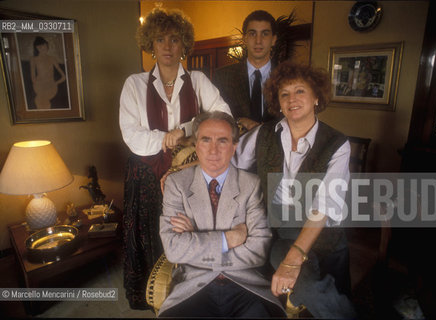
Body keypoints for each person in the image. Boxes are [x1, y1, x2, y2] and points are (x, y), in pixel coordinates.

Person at [119, 8, 231, 309]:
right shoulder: (134, 84)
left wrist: (184, 130)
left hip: (190, 170)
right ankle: (153, 297)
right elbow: (132, 136)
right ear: (150, 45)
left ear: (184, 45)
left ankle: (188, 295)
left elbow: (223, 117)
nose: (167, 47)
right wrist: (164, 138)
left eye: (174, 39)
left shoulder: (197, 80)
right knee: (149, 234)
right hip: (144, 173)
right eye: (159, 40)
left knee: (187, 229)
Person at [233, 61, 357, 318]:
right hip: (281, 229)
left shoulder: (337, 143)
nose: (292, 99)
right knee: (308, 288)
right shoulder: (264, 133)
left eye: (300, 91)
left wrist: (293, 260)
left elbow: (324, 207)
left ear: (315, 98)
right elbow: (228, 161)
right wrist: (182, 170)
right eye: (284, 94)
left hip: (324, 233)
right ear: (278, 102)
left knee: (327, 289)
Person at [158, 111, 285, 317]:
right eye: (206, 140)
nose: (213, 150)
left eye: (223, 141)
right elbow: (173, 249)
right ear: (196, 145)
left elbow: (259, 250)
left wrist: (195, 240)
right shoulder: (176, 184)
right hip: (194, 286)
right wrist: (229, 239)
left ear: (234, 147)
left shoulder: (251, 185)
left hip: (245, 286)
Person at [213, 10, 277, 130]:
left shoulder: (287, 76)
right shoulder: (222, 76)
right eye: (253, 34)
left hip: (277, 146)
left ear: (273, 40)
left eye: (265, 34)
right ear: (245, 38)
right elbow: (214, 115)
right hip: (235, 145)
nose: (258, 41)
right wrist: (238, 121)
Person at [30, 36, 66, 109]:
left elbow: (64, 77)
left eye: (45, 46)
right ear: (37, 47)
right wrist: (38, 84)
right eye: (41, 46)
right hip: (39, 86)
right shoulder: (34, 59)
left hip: (51, 86)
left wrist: (55, 83)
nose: (44, 48)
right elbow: (33, 77)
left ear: (47, 46)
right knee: (39, 100)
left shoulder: (52, 58)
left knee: (41, 100)